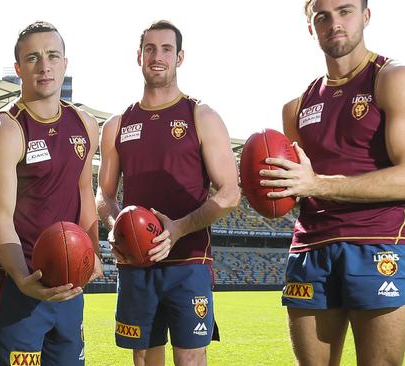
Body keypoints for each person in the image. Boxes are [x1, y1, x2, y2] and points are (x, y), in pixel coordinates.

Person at [260, 1, 405, 365]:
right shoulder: (296, 107)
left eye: (345, 11)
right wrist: (271, 189)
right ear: (311, 27)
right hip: (310, 248)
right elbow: (295, 189)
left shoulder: (390, 78)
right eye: (322, 16)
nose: (334, 23)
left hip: (377, 243)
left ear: (366, 16)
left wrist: (317, 185)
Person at [96, 20, 240, 366]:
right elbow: (104, 195)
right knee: (144, 357)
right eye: (150, 49)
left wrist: (178, 229)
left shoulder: (200, 115)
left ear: (180, 57)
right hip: (136, 262)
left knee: (190, 358)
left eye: (166, 49)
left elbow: (231, 193)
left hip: (189, 260)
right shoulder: (118, 124)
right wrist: (119, 225)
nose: (156, 56)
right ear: (139, 56)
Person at [0, 21, 103, 366]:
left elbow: (84, 193)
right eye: (33, 58)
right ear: (18, 68)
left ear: (65, 63)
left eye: (52, 55)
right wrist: (22, 278)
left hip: (67, 278)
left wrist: (91, 250)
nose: (44, 65)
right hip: (20, 277)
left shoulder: (85, 125)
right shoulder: (6, 129)